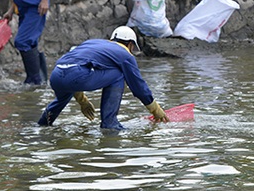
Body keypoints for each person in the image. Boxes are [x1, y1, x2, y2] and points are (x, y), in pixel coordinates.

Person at [38, 26, 169, 131]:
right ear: (130, 45)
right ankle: (109, 124)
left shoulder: (94, 43)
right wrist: (155, 110)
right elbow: (138, 87)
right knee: (119, 74)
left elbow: (70, 68)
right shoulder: (125, 55)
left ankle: (42, 125)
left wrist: (82, 101)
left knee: (62, 97)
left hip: (56, 74)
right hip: (75, 75)